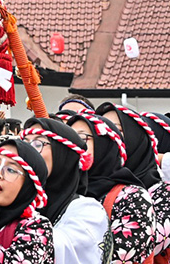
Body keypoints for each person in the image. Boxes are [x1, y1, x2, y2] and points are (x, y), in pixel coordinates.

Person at [68, 112, 156, 264]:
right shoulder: (61, 192)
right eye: (68, 139)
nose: (72, 146)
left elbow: (123, 257)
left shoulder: (132, 197)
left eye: (81, 138)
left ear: (104, 145)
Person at [22, 118, 111, 264]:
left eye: (38, 143)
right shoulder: (17, 200)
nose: (28, 151)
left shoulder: (88, 211)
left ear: (62, 155)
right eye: (25, 143)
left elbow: (44, 253)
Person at [97, 103, 170, 261]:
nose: (108, 136)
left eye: (116, 129)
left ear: (135, 136)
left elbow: (149, 243)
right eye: (100, 130)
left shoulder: (164, 194)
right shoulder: (89, 185)